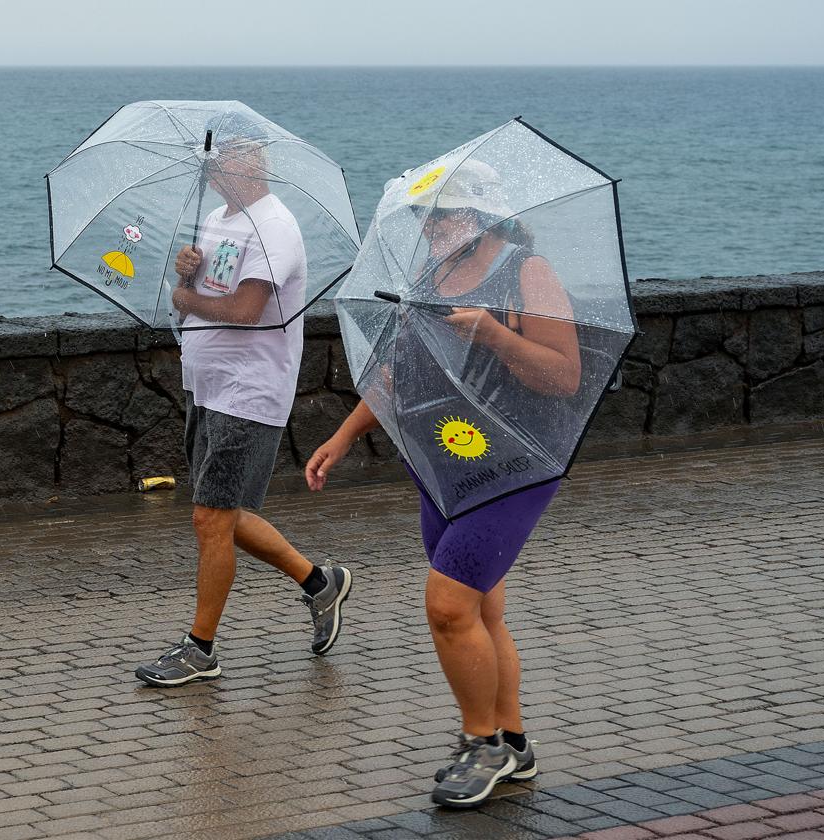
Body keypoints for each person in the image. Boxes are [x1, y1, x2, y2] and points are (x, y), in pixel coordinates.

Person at [304, 162, 581, 808]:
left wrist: (491, 333)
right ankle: (512, 743)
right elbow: (398, 372)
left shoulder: (526, 272)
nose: (430, 228)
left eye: (442, 215)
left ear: (480, 215)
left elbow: (564, 375)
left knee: (448, 606)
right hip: (444, 465)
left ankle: (480, 742)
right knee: (483, 611)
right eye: (423, 217)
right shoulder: (428, 277)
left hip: (512, 467)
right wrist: (344, 436)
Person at [135, 119, 353, 687]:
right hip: (206, 384)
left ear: (253, 165)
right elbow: (207, 295)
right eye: (212, 162)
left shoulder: (275, 227)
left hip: (249, 391)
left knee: (210, 516)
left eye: (226, 160)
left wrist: (187, 295)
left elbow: (247, 310)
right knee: (224, 512)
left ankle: (201, 648)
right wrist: (189, 272)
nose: (214, 170)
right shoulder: (216, 220)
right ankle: (318, 584)